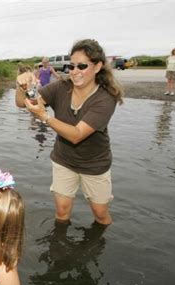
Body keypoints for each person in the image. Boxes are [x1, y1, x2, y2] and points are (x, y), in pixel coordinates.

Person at [15, 39, 123, 226]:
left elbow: (76, 135)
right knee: (62, 211)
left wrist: (45, 117)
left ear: (97, 67)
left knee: (100, 214)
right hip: (64, 160)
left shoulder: (106, 98)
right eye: (71, 66)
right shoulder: (62, 87)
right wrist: (23, 86)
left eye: (82, 66)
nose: (75, 71)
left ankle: (100, 245)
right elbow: (25, 103)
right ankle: (60, 249)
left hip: (95, 164)